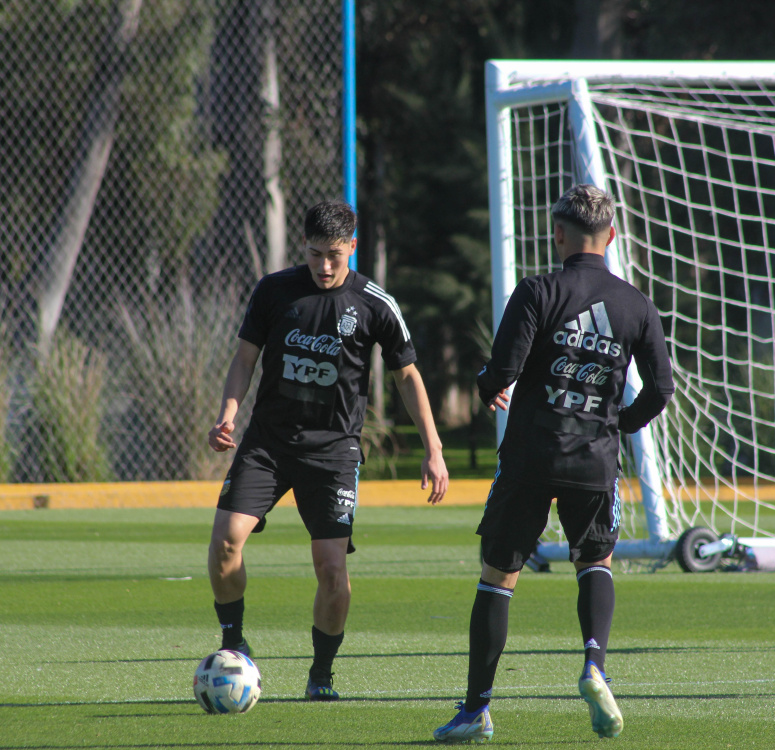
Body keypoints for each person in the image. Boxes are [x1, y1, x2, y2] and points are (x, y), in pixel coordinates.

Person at [433, 184, 674, 742]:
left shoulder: (538, 290)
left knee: (497, 579)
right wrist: (618, 424)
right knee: (596, 564)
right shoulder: (635, 303)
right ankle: (595, 663)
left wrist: (485, 384)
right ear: (611, 237)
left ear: (558, 233)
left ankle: (476, 709)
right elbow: (662, 388)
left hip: (530, 459)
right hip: (595, 462)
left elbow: (501, 372)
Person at [207, 200, 449, 701]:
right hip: (267, 445)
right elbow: (245, 357)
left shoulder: (376, 303)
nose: (324, 266)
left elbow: (407, 375)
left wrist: (433, 447)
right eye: (316, 254)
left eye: (335, 255)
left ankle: (321, 675)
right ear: (305, 246)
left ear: (352, 249)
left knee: (332, 569)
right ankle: (234, 643)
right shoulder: (274, 291)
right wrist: (228, 413)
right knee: (226, 545)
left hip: (334, 452)